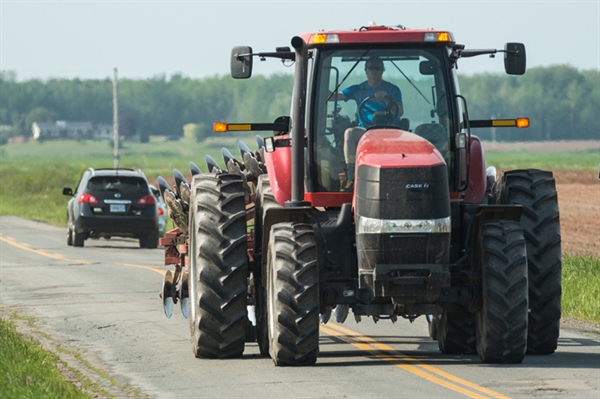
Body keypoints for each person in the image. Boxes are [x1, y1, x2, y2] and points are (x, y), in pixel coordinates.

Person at [333, 56, 404, 189]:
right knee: (349, 133)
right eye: (371, 67)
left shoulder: (392, 89)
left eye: (377, 68)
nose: (374, 71)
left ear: (382, 70)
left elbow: (400, 111)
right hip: (366, 132)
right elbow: (335, 96)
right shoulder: (358, 89)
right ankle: (351, 176)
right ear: (366, 70)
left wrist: (387, 99)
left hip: (390, 132)